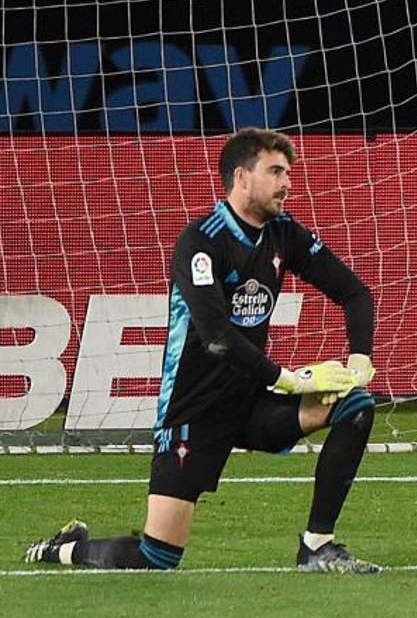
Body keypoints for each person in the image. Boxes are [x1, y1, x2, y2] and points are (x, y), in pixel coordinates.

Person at [24, 127, 380, 573]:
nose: (287, 183)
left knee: (355, 404)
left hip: (253, 404)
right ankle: (68, 548)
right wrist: (292, 379)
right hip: (195, 409)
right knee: (156, 559)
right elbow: (216, 335)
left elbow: (355, 293)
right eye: (275, 172)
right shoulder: (201, 242)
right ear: (241, 177)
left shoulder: (285, 233)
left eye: (288, 172)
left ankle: (317, 546)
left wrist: (360, 359)